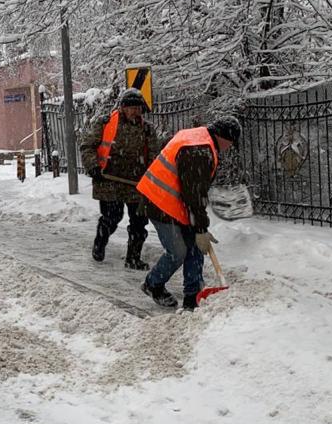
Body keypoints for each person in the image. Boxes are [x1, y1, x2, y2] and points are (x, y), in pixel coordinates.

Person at [137, 115, 242, 310]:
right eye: (230, 143)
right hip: (159, 201)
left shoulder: (199, 137)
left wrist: (199, 228)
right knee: (178, 251)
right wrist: (200, 227)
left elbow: (194, 191)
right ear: (224, 137)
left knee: (195, 246)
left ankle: (192, 296)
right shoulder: (200, 150)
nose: (229, 148)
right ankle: (153, 284)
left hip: (175, 202)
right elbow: (194, 194)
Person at [80, 88, 160, 270]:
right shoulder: (106, 123)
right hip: (108, 180)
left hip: (136, 184)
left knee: (139, 222)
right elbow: (87, 146)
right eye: (130, 107)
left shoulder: (147, 129)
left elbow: (154, 156)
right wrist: (93, 166)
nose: (135, 111)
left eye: (138, 107)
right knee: (112, 217)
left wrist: (152, 177)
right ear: (122, 108)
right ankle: (100, 242)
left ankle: (133, 258)